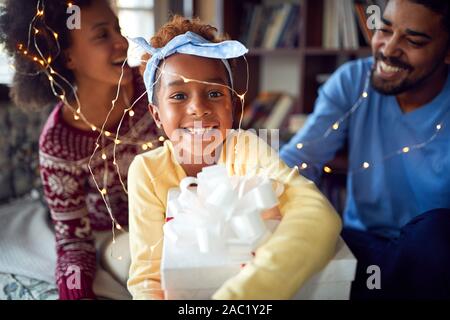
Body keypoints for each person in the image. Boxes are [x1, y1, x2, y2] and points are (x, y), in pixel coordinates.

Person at [126, 15, 342, 300]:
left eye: (214, 93)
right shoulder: (147, 171)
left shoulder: (247, 149)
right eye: (179, 96)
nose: (198, 109)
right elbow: (148, 276)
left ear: (233, 105)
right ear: (156, 114)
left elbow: (316, 213)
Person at [280, 0, 450, 299]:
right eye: (384, 29)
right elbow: (299, 159)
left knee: (435, 235)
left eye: (413, 41)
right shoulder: (353, 80)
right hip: (359, 245)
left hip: (430, 260)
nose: (388, 48)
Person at [0, 0, 159, 299]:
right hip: (116, 236)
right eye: (102, 35)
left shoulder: (150, 86)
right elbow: (74, 242)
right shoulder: (59, 143)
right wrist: (75, 293)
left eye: (118, 29)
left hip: (174, 214)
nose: (121, 42)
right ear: (68, 57)